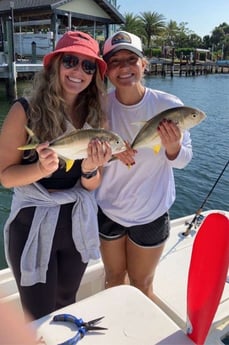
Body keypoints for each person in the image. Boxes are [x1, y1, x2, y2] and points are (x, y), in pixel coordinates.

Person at [0, 31, 112, 320]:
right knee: (38, 315)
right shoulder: (23, 111)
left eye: (88, 66)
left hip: (75, 225)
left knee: (68, 303)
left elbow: (92, 184)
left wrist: (89, 168)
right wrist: (39, 169)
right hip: (32, 224)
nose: (79, 71)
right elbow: (5, 177)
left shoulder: (97, 116)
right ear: (55, 65)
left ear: (95, 75)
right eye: (71, 61)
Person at [96, 31, 193, 300]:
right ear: (106, 70)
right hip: (109, 210)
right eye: (115, 62)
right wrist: (113, 155)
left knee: (141, 284)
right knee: (113, 279)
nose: (124, 67)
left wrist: (173, 147)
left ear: (144, 64)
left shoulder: (169, 105)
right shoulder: (99, 107)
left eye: (131, 59)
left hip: (151, 213)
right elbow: (89, 160)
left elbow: (185, 161)